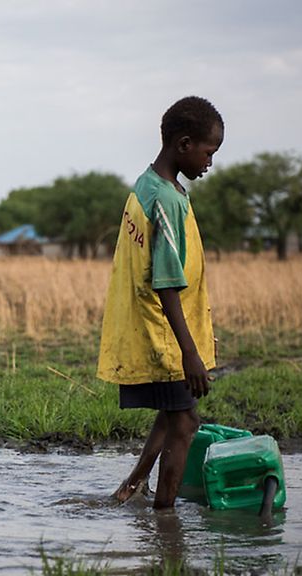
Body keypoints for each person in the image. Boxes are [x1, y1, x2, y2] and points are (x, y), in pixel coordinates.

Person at [97, 96, 223, 510]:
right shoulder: (165, 201)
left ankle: (131, 486)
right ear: (184, 144)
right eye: (209, 152)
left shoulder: (148, 184)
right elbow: (168, 283)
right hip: (164, 334)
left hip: (157, 328)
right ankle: (165, 520)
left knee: (173, 413)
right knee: (185, 422)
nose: (210, 162)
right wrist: (190, 353)